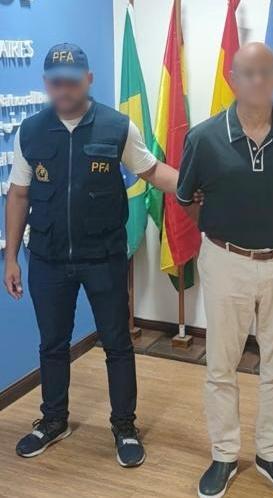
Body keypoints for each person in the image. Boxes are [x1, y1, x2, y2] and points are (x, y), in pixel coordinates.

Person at [3, 43, 179, 467]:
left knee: (117, 344)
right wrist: (10, 258)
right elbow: (19, 194)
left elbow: (152, 170)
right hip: (47, 258)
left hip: (102, 257)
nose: (63, 89)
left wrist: (198, 185)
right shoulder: (31, 131)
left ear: (88, 80)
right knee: (52, 344)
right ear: (46, 83)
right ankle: (53, 420)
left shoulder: (117, 127)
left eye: (72, 80)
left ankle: (124, 426)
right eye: (55, 82)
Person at [177, 43, 273, 498]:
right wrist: (228, 231)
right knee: (221, 365)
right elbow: (187, 201)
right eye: (247, 72)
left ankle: (270, 454)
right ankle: (224, 454)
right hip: (225, 263)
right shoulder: (203, 137)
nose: (257, 80)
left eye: (265, 71)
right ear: (232, 79)